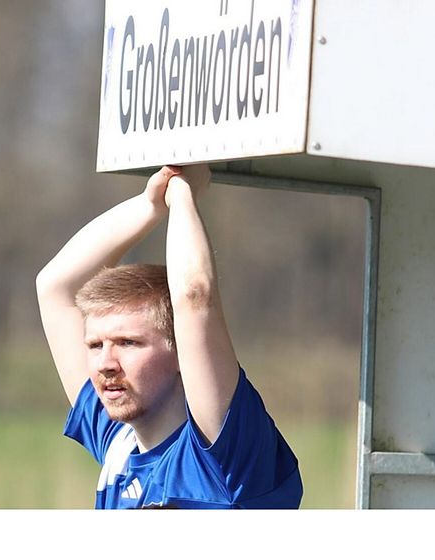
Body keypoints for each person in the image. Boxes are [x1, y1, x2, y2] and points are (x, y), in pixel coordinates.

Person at [36, 164, 302, 509]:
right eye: (95, 345)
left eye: (128, 343)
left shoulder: (224, 454)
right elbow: (55, 287)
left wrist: (182, 193)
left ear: (182, 351)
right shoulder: (119, 444)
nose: (105, 364)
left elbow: (194, 293)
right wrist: (151, 204)